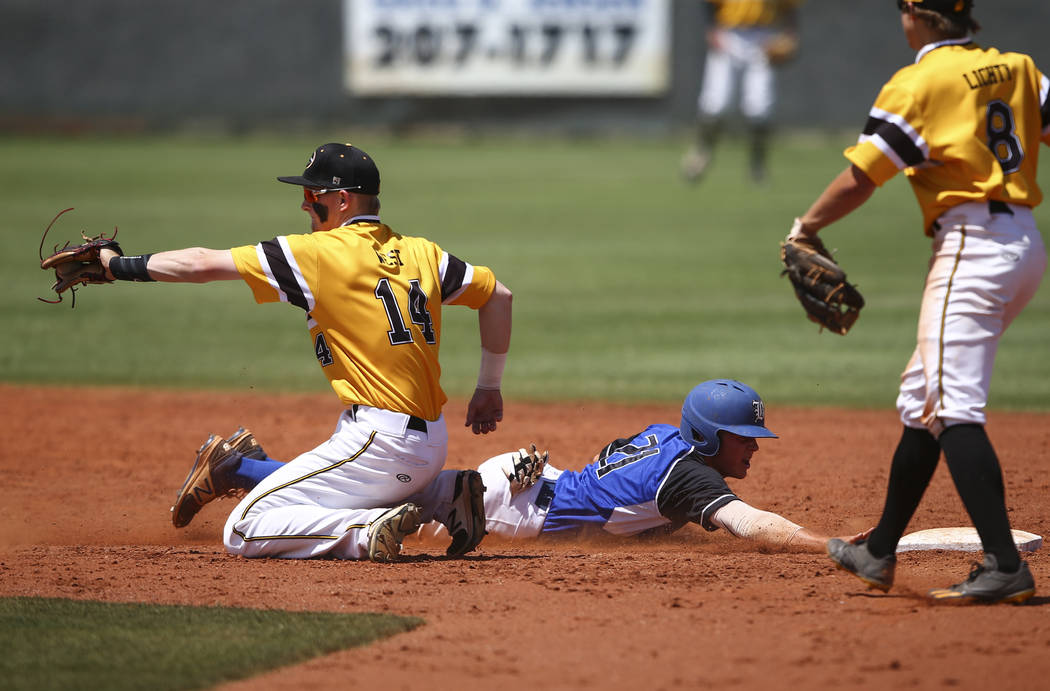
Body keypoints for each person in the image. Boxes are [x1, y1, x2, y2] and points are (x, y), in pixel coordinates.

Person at [101, 141, 513, 562]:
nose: (304, 206)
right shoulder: (423, 253)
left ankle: (364, 531)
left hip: (380, 443)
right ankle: (445, 494)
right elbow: (498, 296)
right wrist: (488, 388)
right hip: (430, 442)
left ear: (341, 200)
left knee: (243, 528)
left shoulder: (316, 254)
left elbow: (200, 264)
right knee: (331, 481)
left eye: (310, 196)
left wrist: (117, 266)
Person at [788, 1, 1046, 603]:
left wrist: (806, 228)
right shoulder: (1018, 67)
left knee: (953, 405)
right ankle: (879, 551)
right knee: (923, 399)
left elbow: (863, 175)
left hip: (971, 247)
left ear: (919, 16)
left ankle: (1004, 564)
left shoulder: (919, 80)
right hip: (1023, 243)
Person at [190, 380, 855, 552]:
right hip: (514, 508)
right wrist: (820, 542)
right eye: (745, 436)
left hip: (529, 479)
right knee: (375, 511)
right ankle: (246, 473)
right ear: (711, 439)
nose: (755, 445)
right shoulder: (692, 478)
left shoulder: (667, 436)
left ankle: (243, 467)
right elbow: (751, 524)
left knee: (405, 494)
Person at [680, 0, 802, 185]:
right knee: (716, 103)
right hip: (729, 33)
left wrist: (791, 33)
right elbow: (709, 4)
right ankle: (702, 152)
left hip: (765, 36)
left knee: (760, 107)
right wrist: (711, 29)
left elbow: (790, 6)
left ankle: (758, 165)